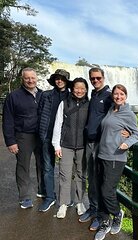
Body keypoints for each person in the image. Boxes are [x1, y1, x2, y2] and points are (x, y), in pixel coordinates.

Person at [80, 67, 129, 231]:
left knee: (97, 181)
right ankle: (94, 209)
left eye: (98, 78)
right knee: (91, 179)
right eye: (92, 79)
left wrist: (133, 133)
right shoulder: (93, 95)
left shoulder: (109, 96)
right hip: (89, 142)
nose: (95, 81)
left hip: (101, 145)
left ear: (103, 77)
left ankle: (101, 215)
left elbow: (123, 113)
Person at [94, 84, 138, 240]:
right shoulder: (111, 109)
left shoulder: (129, 114)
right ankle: (105, 222)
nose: (118, 97)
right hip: (102, 155)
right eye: (116, 94)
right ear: (112, 96)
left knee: (107, 191)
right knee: (101, 190)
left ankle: (117, 213)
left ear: (126, 96)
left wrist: (127, 142)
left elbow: (136, 134)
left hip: (116, 157)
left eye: (121, 94)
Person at [2, 67, 44, 209]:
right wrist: (10, 141)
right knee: (23, 166)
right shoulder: (14, 96)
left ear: (36, 78)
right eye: (27, 78)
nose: (30, 80)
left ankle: (42, 190)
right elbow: (7, 120)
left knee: (42, 164)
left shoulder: (42, 95)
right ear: (22, 79)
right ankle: (25, 197)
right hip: (23, 136)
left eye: (33, 77)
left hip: (41, 136)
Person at [52, 77, 89, 218]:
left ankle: (79, 202)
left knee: (81, 175)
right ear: (72, 89)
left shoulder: (89, 105)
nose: (79, 91)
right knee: (64, 175)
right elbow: (58, 124)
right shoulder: (64, 103)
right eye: (76, 88)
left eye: (82, 88)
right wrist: (56, 145)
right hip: (66, 145)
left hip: (83, 146)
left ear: (86, 90)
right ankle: (63, 204)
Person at [37, 69, 71, 212]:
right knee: (47, 167)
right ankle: (50, 197)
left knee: (66, 170)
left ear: (66, 81)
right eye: (57, 78)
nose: (59, 80)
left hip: (65, 139)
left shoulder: (72, 96)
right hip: (47, 136)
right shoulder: (46, 95)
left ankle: (65, 198)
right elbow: (39, 113)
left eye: (62, 78)